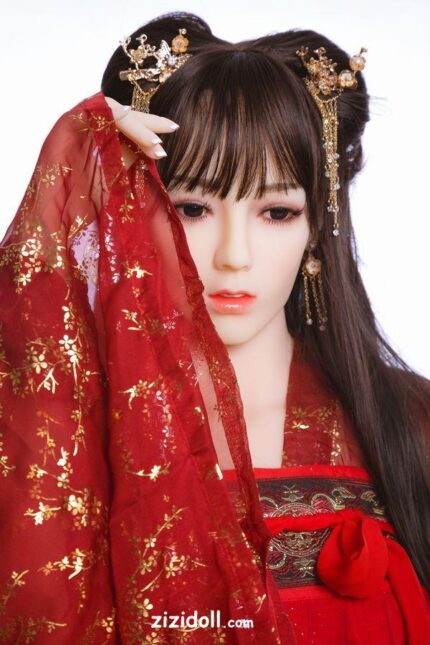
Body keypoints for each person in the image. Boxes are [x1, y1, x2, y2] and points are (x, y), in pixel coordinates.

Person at [0, 9, 429, 644]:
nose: (235, 255)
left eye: (276, 212)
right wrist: (82, 148)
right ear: (136, 212)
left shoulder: (409, 424)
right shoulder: (66, 436)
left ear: (318, 227)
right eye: (192, 208)